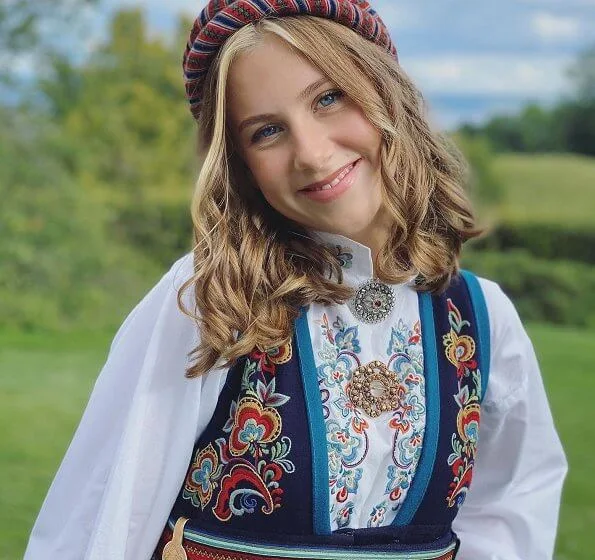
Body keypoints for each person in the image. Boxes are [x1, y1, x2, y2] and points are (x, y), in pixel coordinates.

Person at [24, 1, 567, 559]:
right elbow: (107, 514)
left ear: (386, 92)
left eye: (329, 98)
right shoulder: (211, 299)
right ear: (240, 164)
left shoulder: (481, 318)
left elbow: (509, 512)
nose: (310, 153)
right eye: (267, 132)